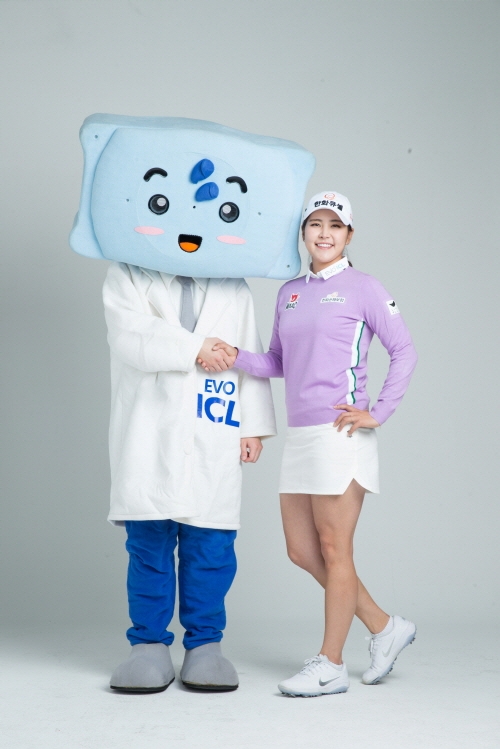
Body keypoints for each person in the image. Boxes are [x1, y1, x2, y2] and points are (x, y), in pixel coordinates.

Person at [199, 191, 418, 697]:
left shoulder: (364, 288)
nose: (324, 233)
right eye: (315, 224)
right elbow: (278, 361)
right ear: (303, 233)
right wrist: (235, 355)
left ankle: (331, 664)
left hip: (342, 434)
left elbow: (404, 350)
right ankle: (385, 627)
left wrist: (379, 412)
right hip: (301, 436)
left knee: (335, 548)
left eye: (334, 226)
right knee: (302, 550)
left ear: (349, 234)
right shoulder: (290, 293)